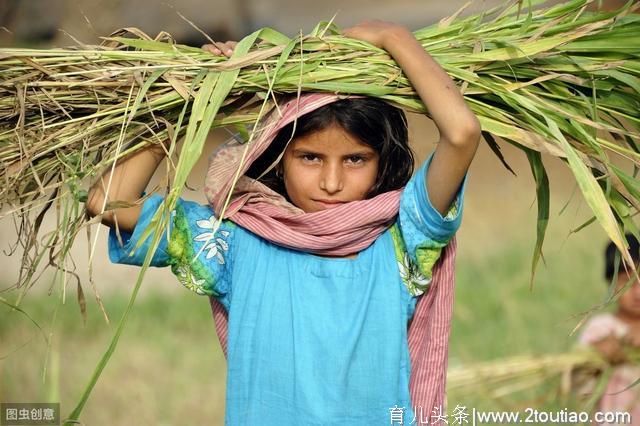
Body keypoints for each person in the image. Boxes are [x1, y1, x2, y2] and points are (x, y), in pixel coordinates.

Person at [86, 21, 480, 425]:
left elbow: (462, 133)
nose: (331, 183)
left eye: (355, 160)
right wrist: (196, 95)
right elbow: (109, 202)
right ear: (277, 157)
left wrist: (393, 37)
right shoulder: (233, 242)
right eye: (310, 157)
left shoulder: (401, 241)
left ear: (382, 164)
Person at [578, 234, 640, 423]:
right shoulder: (601, 329)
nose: (637, 291)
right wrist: (600, 354)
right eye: (626, 282)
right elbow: (579, 377)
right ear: (611, 285)